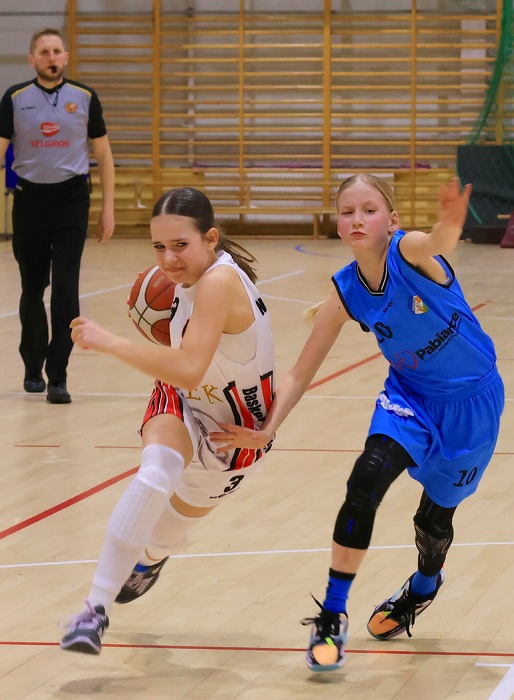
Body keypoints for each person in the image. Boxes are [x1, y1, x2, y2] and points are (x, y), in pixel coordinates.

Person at [210, 175, 504, 672]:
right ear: (339, 225)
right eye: (347, 212)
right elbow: (301, 371)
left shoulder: (407, 251)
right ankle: (332, 614)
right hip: (409, 399)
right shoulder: (347, 290)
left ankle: (424, 586)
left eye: (369, 209)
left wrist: (451, 223)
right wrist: (268, 429)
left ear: (391, 220)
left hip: (471, 404)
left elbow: (437, 241)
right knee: (365, 479)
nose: (357, 219)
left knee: (433, 523)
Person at [59, 186, 275, 655]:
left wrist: (110, 342)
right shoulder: (184, 279)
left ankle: (152, 558)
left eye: (180, 245)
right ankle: (93, 612)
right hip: (183, 399)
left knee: (161, 537)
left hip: (234, 434)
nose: (168, 259)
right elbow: (184, 375)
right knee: (156, 472)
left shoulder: (219, 281)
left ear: (210, 239)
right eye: (159, 246)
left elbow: (191, 366)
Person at [0, 27, 115, 404]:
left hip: (71, 199)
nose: (51, 58)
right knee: (33, 288)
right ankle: (33, 365)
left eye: (57, 51)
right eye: (44, 52)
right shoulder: (14, 97)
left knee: (66, 288)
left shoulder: (84, 97)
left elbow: (103, 154)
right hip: (30, 200)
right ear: (32, 59)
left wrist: (108, 209)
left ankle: (58, 376)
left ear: (65, 57)